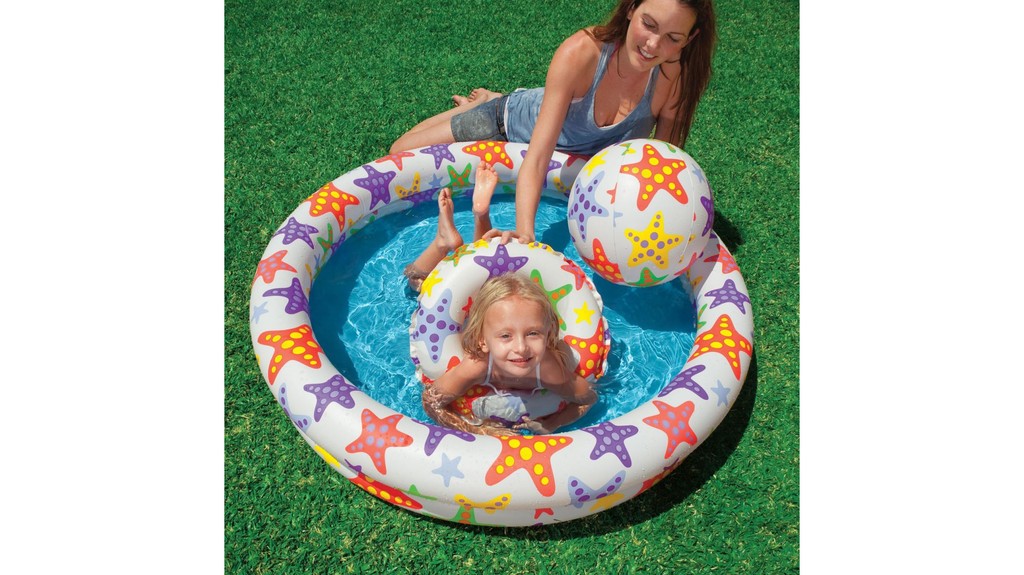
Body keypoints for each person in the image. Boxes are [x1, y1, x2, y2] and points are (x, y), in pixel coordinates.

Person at [390, 0, 717, 245]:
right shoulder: (582, 53)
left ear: (690, 39)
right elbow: (536, 158)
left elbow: (662, 170)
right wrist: (526, 234)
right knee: (399, 153)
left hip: (573, 160)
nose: (653, 45)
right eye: (649, 24)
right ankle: (486, 102)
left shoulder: (674, 81)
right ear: (631, 8)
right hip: (510, 126)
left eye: (673, 38)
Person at [407, 163, 597, 436]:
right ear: (483, 342)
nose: (521, 348)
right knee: (415, 282)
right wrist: (481, 432)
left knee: (486, 289)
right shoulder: (478, 364)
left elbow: (588, 397)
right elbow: (432, 401)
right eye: (506, 336)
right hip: (471, 316)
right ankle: (446, 240)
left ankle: (477, 221)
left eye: (533, 333)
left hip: (492, 309)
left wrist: (553, 423)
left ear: (548, 333)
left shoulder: (548, 369)